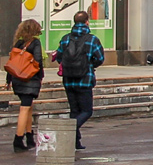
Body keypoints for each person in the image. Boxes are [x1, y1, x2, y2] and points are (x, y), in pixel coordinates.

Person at [52, 11, 104, 151]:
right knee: (87, 111)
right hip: (84, 80)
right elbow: (100, 58)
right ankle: (69, 128)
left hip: (68, 79)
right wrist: (90, 65)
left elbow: (58, 57)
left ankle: (75, 142)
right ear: (87, 22)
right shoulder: (92, 39)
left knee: (74, 110)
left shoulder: (65, 39)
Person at [6, 19, 44, 151]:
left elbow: (12, 62)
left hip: (17, 78)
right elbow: (38, 61)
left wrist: (8, 80)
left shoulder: (19, 43)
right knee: (24, 108)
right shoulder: (35, 43)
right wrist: (39, 76)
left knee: (28, 106)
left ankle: (29, 136)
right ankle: (18, 139)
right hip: (29, 78)